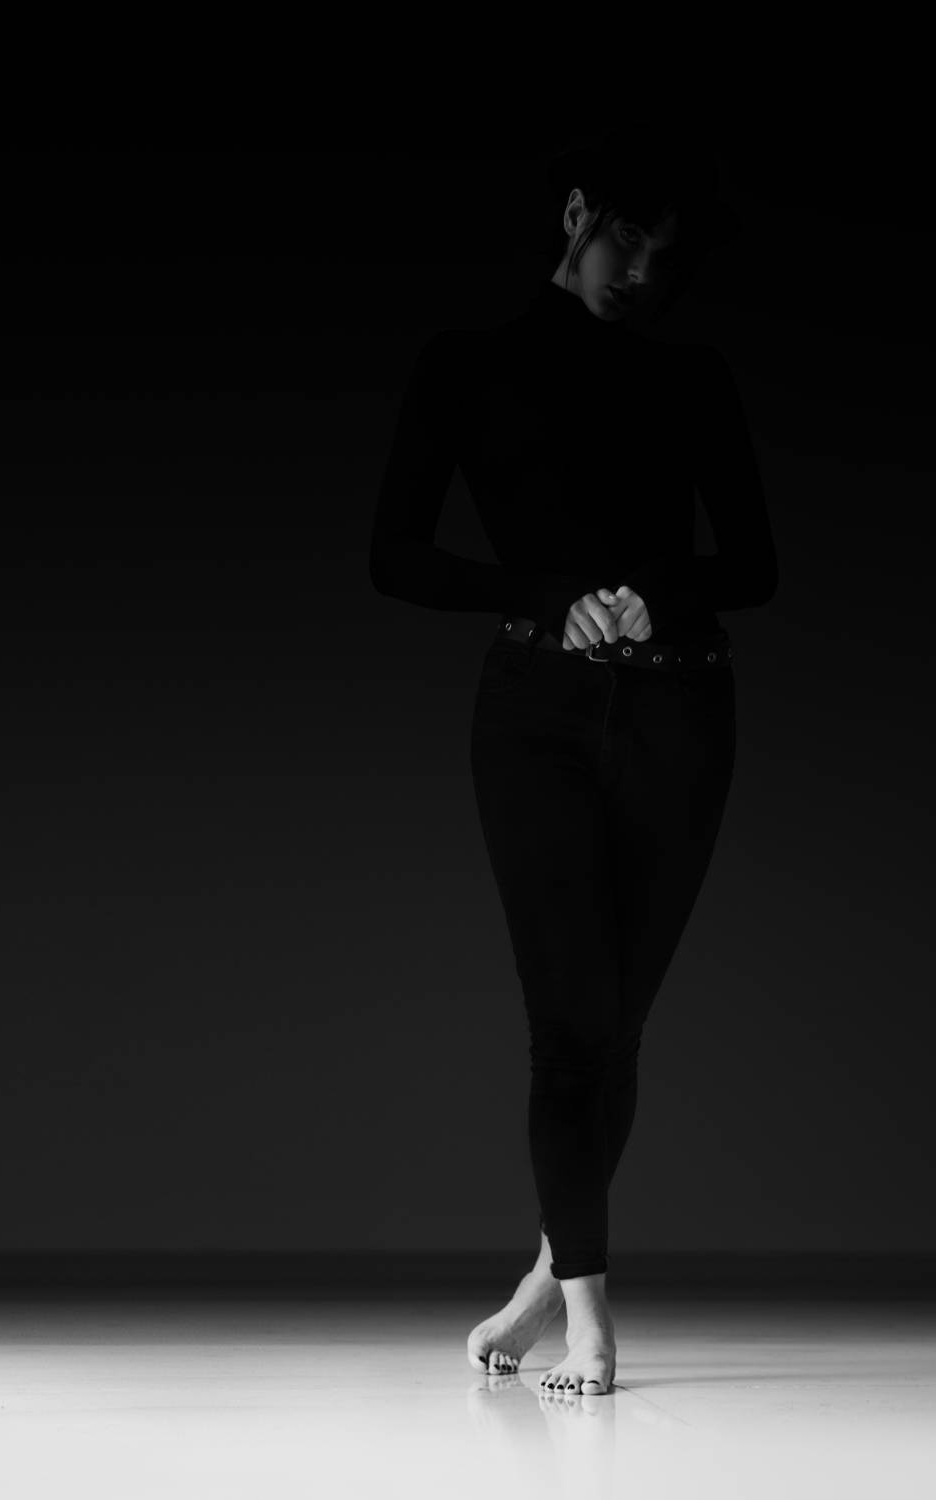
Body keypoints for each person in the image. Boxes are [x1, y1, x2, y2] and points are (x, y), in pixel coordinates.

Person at [368, 131, 778, 1397]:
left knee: (619, 1026)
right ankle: (593, 1318)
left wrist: (656, 590)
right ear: (576, 213)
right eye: (624, 240)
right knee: (567, 1025)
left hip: (681, 712)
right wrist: (550, 595)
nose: (638, 274)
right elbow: (397, 556)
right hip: (535, 714)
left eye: (663, 258)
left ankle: (551, 1281)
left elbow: (753, 566)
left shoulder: (692, 376)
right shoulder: (467, 365)